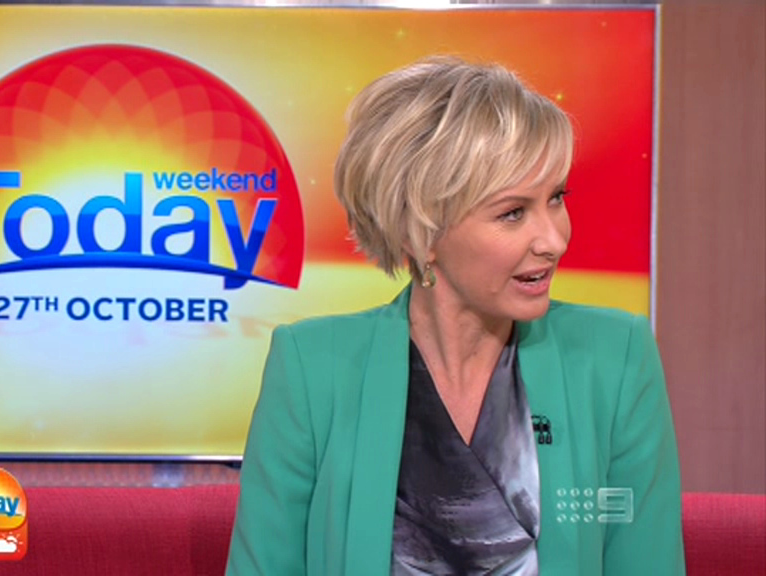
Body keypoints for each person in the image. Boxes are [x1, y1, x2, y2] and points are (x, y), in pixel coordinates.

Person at [225, 56, 684, 576]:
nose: (554, 240)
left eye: (556, 198)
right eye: (513, 212)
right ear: (420, 232)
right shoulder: (313, 369)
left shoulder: (614, 359)